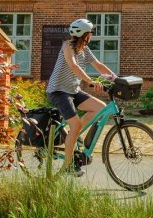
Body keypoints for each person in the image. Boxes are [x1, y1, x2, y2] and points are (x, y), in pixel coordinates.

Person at [46, 18, 117, 176]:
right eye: (91, 32)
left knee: (100, 108)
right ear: (85, 35)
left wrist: (116, 79)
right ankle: (68, 166)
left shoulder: (85, 49)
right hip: (58, 91)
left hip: (73, 90)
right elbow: (73, 65)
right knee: (76, 124)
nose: (91, 35)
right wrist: (90, 81)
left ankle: (74, 134)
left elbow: (98, 65)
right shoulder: (68, 46)